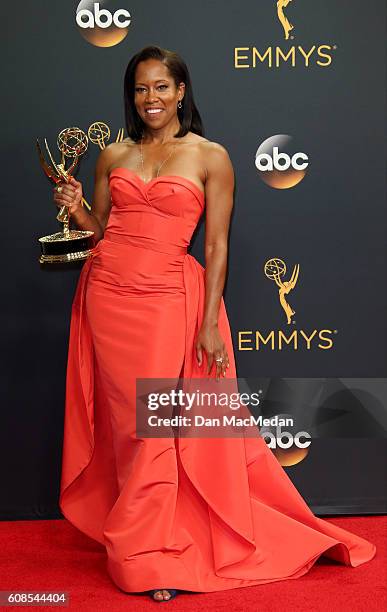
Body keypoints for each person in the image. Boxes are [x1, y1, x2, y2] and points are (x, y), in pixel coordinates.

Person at [55, 45, 376, 603]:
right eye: (139, 88)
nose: (150, 98)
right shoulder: (112, 154)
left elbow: (217, 244)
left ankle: (152, 556)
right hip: (107, 295)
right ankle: (145, 539)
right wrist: (77, 207)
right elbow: (100, 234)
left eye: (161, 87)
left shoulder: (211, 157)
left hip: (165, 302)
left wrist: (208, 322)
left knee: (154, 424)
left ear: (181, 92)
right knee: (126, 427)